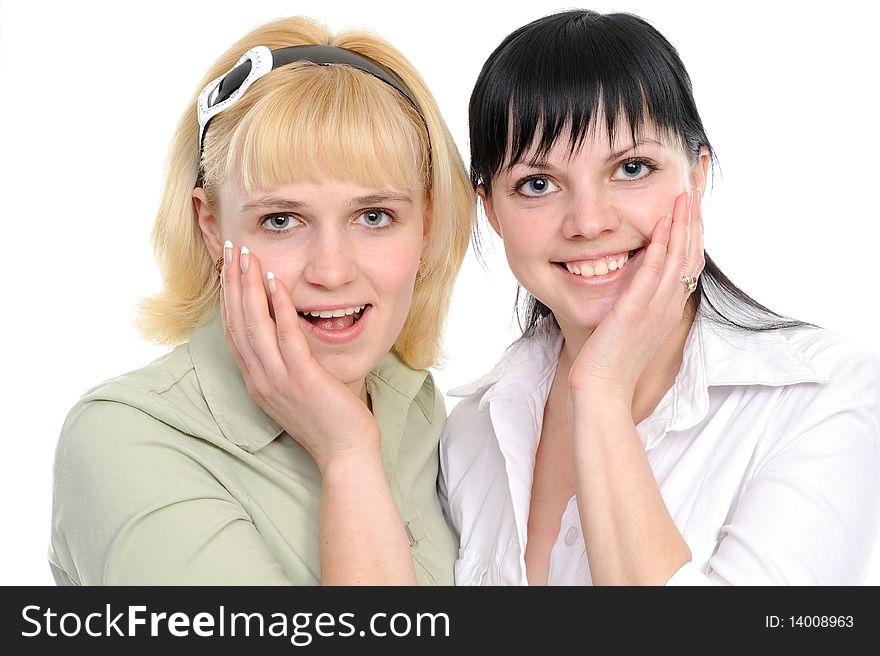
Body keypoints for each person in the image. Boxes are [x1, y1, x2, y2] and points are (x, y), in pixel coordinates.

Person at [440, 9, 880, 585]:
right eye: (538, 184)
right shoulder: (473, 429)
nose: (588, 222)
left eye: (632, 167)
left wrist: (601, 394)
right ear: (492, 210)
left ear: (696, 177)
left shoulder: (824, 399)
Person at [49, 16, 472, 585]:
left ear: (427, 226)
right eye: (281, 220)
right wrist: (347, 454)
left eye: (374, 217)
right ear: (209, 226)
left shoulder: (414, 403)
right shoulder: (124, 439)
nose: (331, 271)